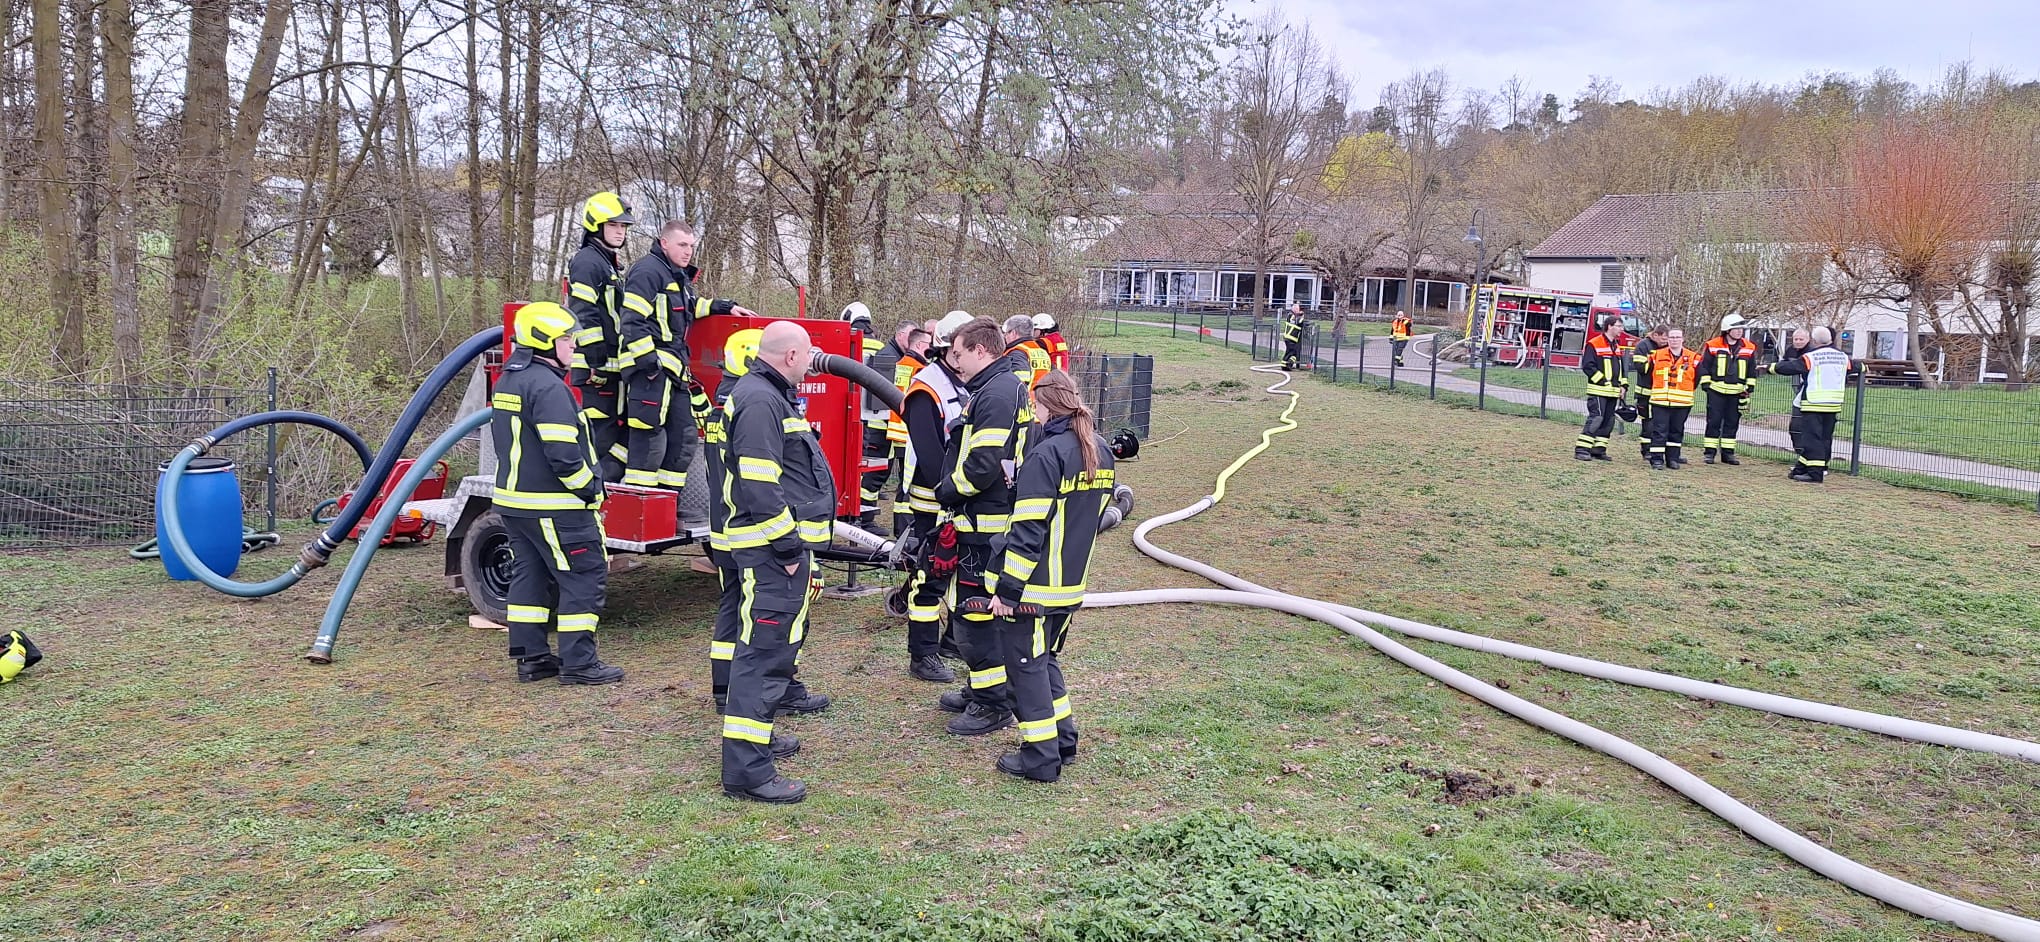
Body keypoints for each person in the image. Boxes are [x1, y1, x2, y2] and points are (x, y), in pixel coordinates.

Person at [716, 321, 840, 804]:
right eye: (807, 356)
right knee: (763, 655)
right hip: (772, 555)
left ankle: (757, 741)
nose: (810, 364)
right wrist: (787, 548)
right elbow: (759, 483)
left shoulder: (763, 395)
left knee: (773, 651)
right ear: (790, 356)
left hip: (777, 553)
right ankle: (747, 772)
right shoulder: (761, 401)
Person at [986, 370, 1113, 782]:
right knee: (1045, 661)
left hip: (1033, 588)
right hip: (1070, 584)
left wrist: (1007, 591)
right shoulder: (1100, 451)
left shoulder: (1047, 455)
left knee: (1026, 668)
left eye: (1035, 406)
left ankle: (1040, 758)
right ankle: (1063, 740)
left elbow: (1028, 530)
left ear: (1045, 404)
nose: (1033, 414)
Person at [489, 301, 623, 686]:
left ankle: (532, 659)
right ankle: (579, 663)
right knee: (582, 575)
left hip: (516, 504)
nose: (574, 347)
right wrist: (590, 491)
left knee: (529, 577)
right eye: (568, 339)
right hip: (557, 506)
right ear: (547, 343)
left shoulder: (510, 379)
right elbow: (563, 455)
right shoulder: (548, 387)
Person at [932, 317, 1031, 734]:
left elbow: (983, 465)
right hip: (980, 522)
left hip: (985, 527)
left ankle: (992, 704)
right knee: (968, 612)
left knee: (975, 615)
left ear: (980, 350)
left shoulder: (996, 393)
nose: (955, 362)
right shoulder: (994, 388)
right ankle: (980, 689)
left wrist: (946, 492)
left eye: (958, 352)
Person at [616, 220, 757, 493]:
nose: (688, 251)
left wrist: (725, 307)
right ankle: (641, 508)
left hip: (673, 372)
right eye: (682, 245)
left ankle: (670, 506)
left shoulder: (675, 275)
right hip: (651, 373)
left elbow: (689, 307)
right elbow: (632, 321)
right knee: (649, 440)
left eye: (691, 246)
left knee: (684, 438)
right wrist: (649, 365)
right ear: (664, 242)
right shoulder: (647, 271)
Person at [897, 311, 977, 683]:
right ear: (947, 350)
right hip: (935, 498)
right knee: (930, 575)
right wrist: (955, 493)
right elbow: (930, 455)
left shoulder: (971, 382)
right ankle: (923, 653)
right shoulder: (925, 388)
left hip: (965, 496)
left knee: (967, 573)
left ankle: (952, 641)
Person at [564, 192, 634, 483]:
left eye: (623, 226)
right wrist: (596, 360)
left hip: (610, 366)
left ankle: (604, 485)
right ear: (596, 225)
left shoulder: (607, 263)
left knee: (619, 434)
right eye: (614, 225)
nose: (620, 231)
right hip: (597, 367)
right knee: (601, 436)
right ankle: (594, 489)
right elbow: (584, 313)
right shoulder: (587, 262)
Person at [1765, 326, 1854, 483]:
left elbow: (1791, 367)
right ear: (1831, 340)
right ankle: (1802, 468)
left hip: (1814, 403)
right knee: (1824, 438)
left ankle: (1815, 473)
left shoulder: (1812, 356)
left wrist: (1771, 368)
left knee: (1812, 439)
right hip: (1833, 404)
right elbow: (1857, 367)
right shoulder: (1842, 357)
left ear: (1814, 341)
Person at [850, 303, 902, 533]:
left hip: (850, 417)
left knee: (858, 472)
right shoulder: (882, 349)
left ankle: (858, 517)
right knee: (874, 472)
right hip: (878, 419)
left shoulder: (845, 344)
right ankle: (865, 518)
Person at [1698, 314, 1760, 465]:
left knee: (1732, 422)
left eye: (1741, 329)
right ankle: (1709, 453)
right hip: (1716, 390)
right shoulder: (1713, 344)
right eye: (1736, 328)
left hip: (1737, 392)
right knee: (1713, 421)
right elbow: (1704, 365)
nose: (1739, 331)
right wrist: (1706, 383)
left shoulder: (1749, 347)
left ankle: (1728, 454)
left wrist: (1750, 385)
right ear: (1727, 329)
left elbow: (1752, 369)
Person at [1642, 328, 1702, 470]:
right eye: (1672, 337)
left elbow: (1698, 377)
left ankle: (1673, 459)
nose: (1674, 340)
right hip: (1660, 401)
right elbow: (1647, 374)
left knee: (1676, 431)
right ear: (1667, 339)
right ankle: (1657, 460)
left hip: (1683, 402)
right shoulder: (1656, 355)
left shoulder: (1693, 357)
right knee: (1659, 431)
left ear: (1683, 339)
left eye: (1677, 337)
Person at [1573, 315, 1628, 461]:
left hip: (1613, 392)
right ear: (1610, 326)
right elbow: (1588, 366)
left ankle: (1598, 449)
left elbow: (1620, 369)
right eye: (1619, 326)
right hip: (1598, 391)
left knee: (1608, 421)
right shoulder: (1594, 343)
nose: (1622, 329)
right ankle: (1582, 449)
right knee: (1596, 418)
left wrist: (1623, 386)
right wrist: (1603, 381)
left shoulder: (1616, 345)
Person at [1628, 324, 1668, 461]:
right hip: (1645, 392)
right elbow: (1640, 368)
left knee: (1662, 423)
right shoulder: (1643, 346)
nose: (1666, 341)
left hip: (1663, 391)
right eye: (1663, 339)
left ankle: (1661, 450)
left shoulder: (1667, 348)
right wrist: (1655, 359)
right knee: (1648, 423)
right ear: (1655, 335)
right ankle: (1646, 450)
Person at [1779, 328, 1811, 462]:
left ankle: (1809, 457)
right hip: (1801, 390)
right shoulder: (1791, 350)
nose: (1798, 342)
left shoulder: (1812, 352)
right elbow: (1785, 365)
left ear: (1808, 339)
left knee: (1808, 428)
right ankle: (1801, 455)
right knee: (1795, 427)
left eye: (1801, 339)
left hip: (1812, 392)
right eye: (1795, 339)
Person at [1003, 314, 1050, 389]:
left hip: (1025, 399)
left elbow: (1017, 384)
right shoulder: (1041, 351)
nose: (1005, 336)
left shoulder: (1018, 353)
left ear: (1013, 333)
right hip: (1041, 398)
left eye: (1007, 333)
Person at [1281, 304, 1306, 369]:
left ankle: (1284, 365)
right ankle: (1288, 365)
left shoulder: (1291, 315)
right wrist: (1301, 316)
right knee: (1293, 352)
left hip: (1289, 338)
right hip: (1290, 338)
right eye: (1298, 309)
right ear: (1295, 309)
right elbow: (1298, 322)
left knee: (1289, 352)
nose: (1299, 310)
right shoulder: (1291, 315)